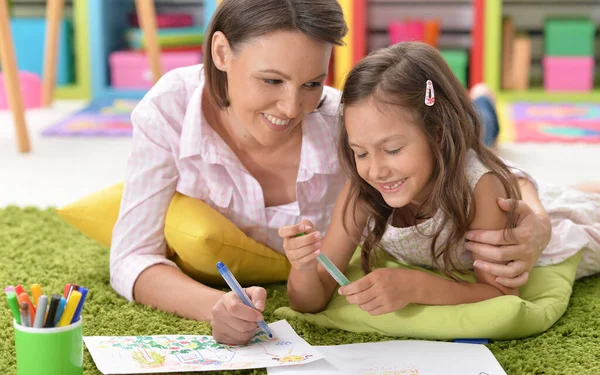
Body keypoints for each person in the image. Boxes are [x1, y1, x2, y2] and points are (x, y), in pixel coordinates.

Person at [110, 0, 552, 345]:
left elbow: (472, 163)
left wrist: (536, 213)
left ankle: (483, 105)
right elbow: (131, 256)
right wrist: (218, 307)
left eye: (311, 83)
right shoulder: (169, 110)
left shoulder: (347, 119)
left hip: (452, 136)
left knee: (473, 127)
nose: (292, 108)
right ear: (222, 52)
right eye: (271, 80)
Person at [279, 42, 600, 315]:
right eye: (360, 152)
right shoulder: (363, 190)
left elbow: (502, 296)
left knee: (583, 204)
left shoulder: (481, 189)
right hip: (480, 174)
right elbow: (309, 300)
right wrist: (305, 267)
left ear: (438, 133)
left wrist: (418, 287)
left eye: (392, 149)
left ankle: (486, 101)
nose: (375, 170)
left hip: (541, 218)